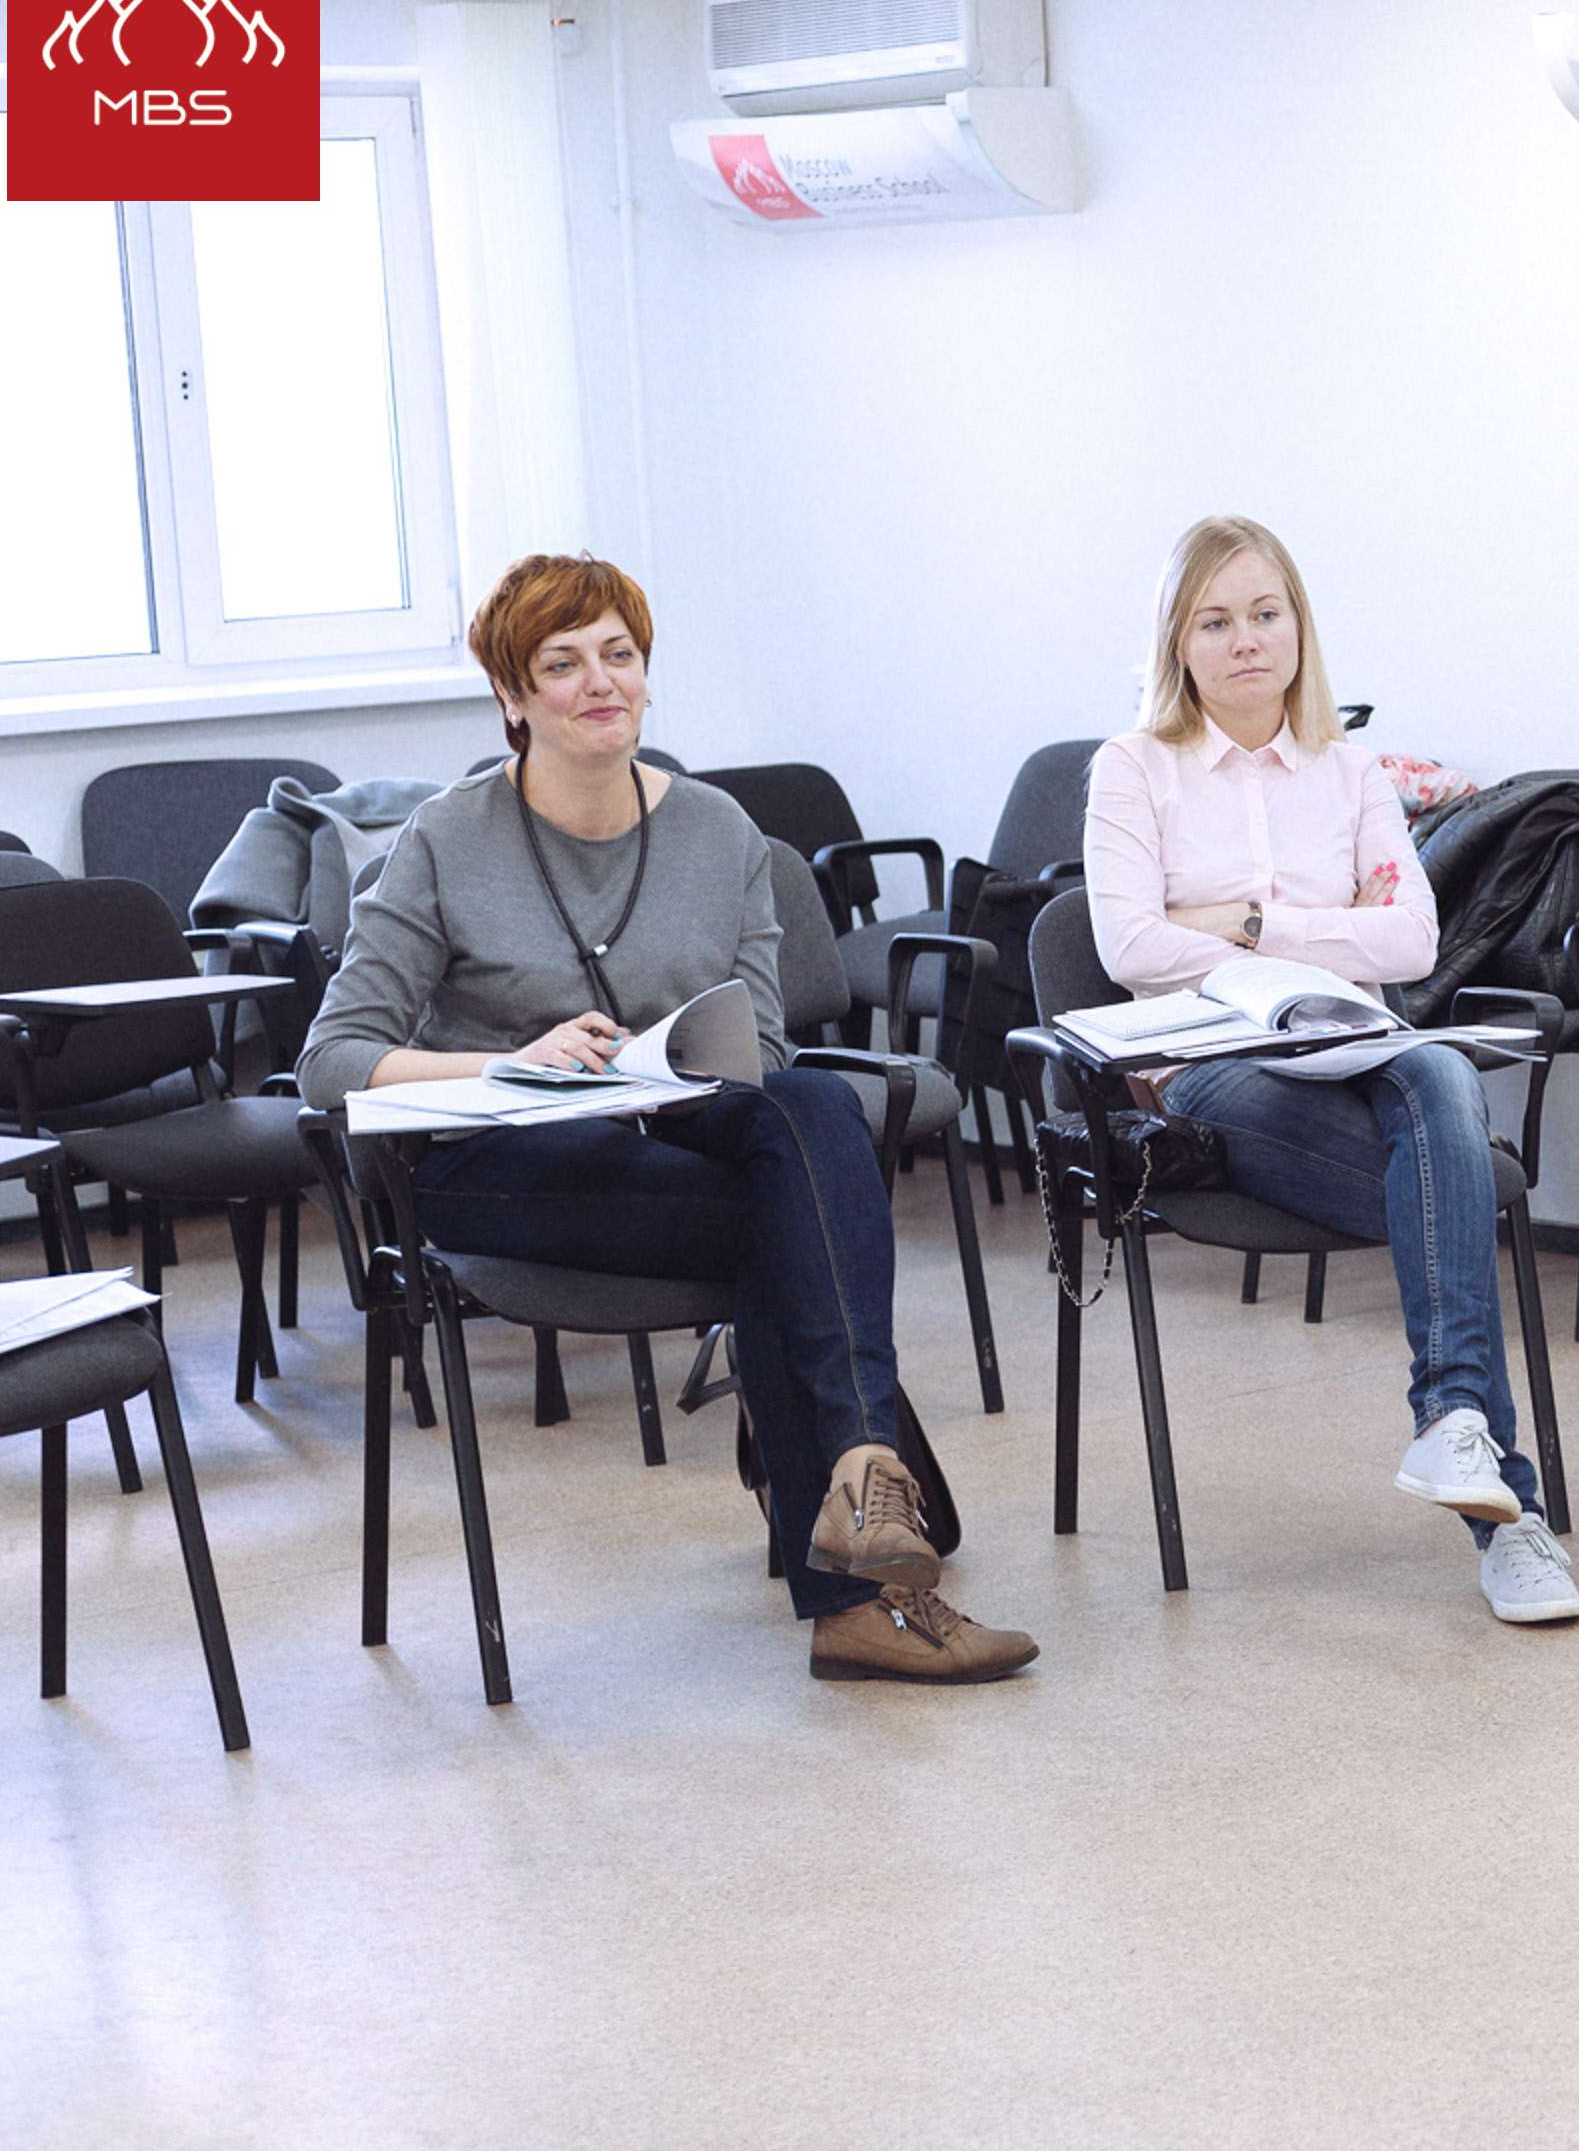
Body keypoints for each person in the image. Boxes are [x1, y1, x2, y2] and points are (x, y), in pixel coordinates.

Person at [296, 555, 1036, 1686]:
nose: (601, 681)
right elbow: (331, 1060)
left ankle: (859, 1486)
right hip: (500, 1161)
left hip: (676, 1131)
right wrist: (509, 1063)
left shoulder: (718, 829)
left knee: (810, 1106)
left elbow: (766, 1050)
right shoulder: (445, 841)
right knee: (797, 1224)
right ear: (512, 696)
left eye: (620, 654)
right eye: (563, 663)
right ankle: (862, 1555)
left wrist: (666, 1064)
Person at [1083, 515, 1579, 1626]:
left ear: (1299, 627)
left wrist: (1246, 921)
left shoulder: (1349, 772)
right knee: (1453, 1184)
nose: (1246, 640)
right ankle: (1509, 1514)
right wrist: (1330, 926)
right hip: (1209, 1068)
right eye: (1215, 621)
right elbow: (1131, 949)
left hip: (1351, 1044)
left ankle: (1456, 1427)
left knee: (1440, 1073)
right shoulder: (1133, 769)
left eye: (1266, 614)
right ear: (1177, 642)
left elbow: (1413, 941)